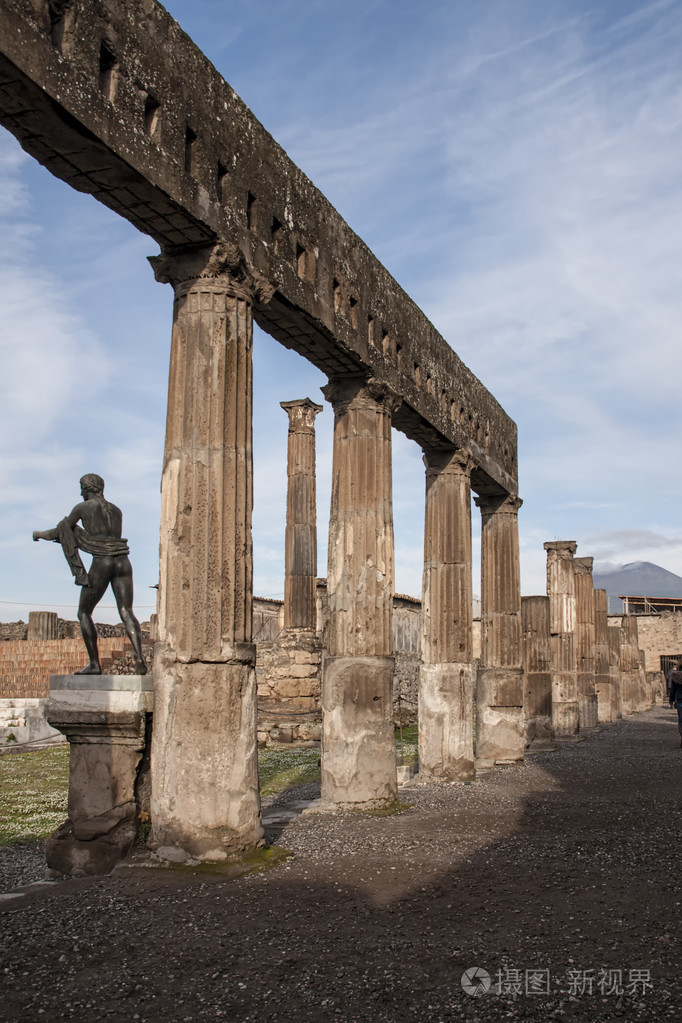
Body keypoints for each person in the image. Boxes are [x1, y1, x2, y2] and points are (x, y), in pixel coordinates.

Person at [33, 474, 147, 675]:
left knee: (84, 612)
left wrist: (39, 534)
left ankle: (95, 664)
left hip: (102, 562)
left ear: (88, 488)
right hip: (123, 562)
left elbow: (62, 531)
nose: (80, 492)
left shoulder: (82, 508)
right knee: (126, 611)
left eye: (82, 488)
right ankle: (139, 658)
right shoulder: (117, 510)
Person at [668, 661, 682, 748]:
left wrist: (671, 700)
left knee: (681, 721)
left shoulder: (676, 676)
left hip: (680, 701)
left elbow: (673, 690)